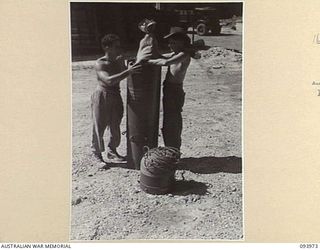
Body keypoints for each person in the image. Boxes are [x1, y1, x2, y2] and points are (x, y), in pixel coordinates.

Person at [91, 34, 142, 163]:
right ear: (107, 47)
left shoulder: (118, 61)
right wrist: (128, 71)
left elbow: (125, 74)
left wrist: (127, 65)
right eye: (116, 46)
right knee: (100, 125)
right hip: (102, 95)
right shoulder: (100, 63)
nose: (119, 49)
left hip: (115, 95)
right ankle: (97, 154)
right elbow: (108, 80)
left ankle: (112, 151)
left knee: (115, 125)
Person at [147, 27, 193, 150]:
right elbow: (160, 56)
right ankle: (170, 147)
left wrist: (148, 62)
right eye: (169, 42)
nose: (170, 45)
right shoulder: (175, 54)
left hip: (175, 90)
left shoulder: (183, 55)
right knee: (168, 120)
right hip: (169, 89)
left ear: (181, 43)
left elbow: (165, 62)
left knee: (173, 121)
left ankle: (174, 148)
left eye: (173, 42)